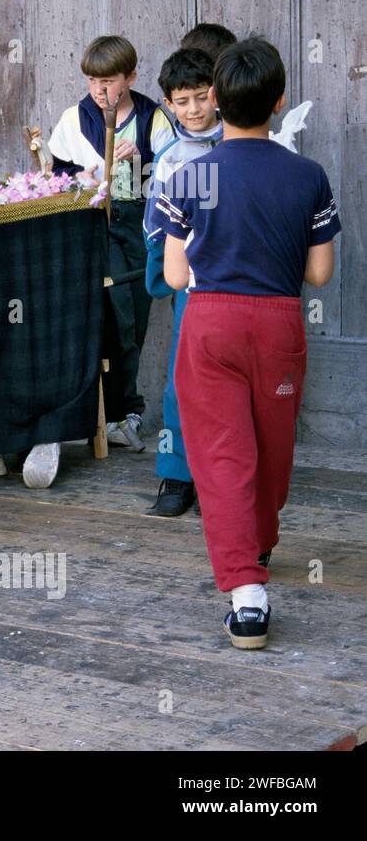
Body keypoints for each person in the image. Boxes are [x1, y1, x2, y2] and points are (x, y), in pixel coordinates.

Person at [151, 37, 340, 649]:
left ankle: (248, 594)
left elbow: (175, 276)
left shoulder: (191, 176)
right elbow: (318, 275)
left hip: (211, 323)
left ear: (217, 101)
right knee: (272, 445)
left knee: (222, 454)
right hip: (279, 321)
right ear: (279, 101)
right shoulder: (307, 176)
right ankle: (256, 543)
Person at [49, 35, 173, 452]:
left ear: (131, 77)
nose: (100, 91)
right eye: (92, 81)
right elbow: (57, 174)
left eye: (109, 81)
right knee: (96, 316)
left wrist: (141, 161)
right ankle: (96, 412)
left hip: (136, 224)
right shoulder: (75, 118)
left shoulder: (152, 117)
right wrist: (83, 178)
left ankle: (125, 412)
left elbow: (174, 176)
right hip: (91, 224)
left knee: (130, 319)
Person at [143, 45, 229, 516]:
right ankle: (177, 475)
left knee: (231, 385)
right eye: (183, 101)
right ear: (169, 104)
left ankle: (223, 477)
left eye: (202, 97)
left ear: (217, 94)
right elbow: (157, 224)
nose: (194, 110)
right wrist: (165, 272)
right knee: (182, 380)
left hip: (240, 284)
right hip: (193, 287)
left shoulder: (244, 143)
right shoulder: (172, 157)